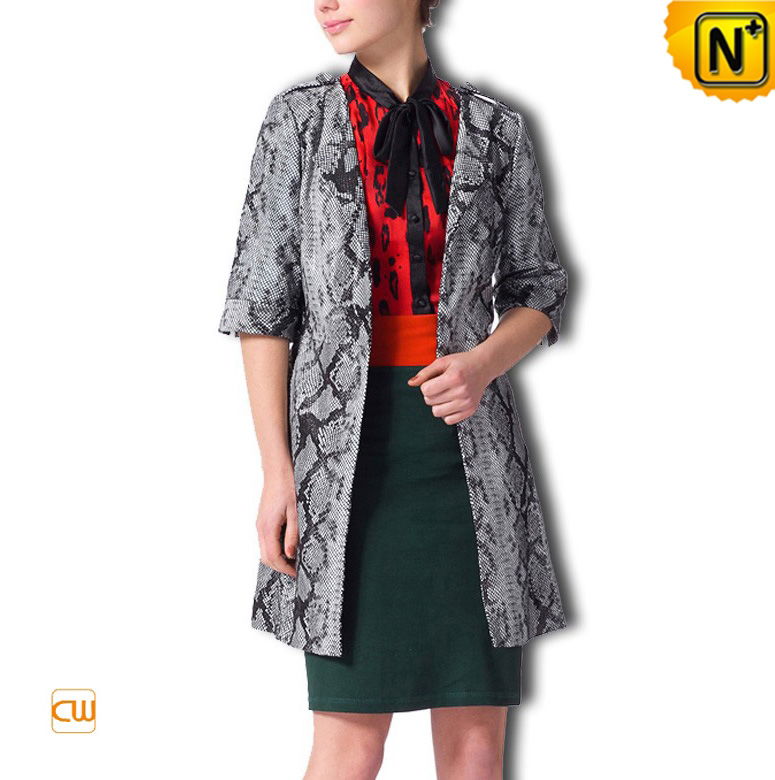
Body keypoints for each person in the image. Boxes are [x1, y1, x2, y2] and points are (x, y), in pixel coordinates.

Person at [217, 0, 569, 776]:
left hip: (470, 461)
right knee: (348, 741)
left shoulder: (495, 130)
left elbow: (540, 290)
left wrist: (482, 363)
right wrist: (278, 473)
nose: (325, 3)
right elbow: (261, 307)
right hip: (342, 467)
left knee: (475, 744)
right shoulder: (298, 122)